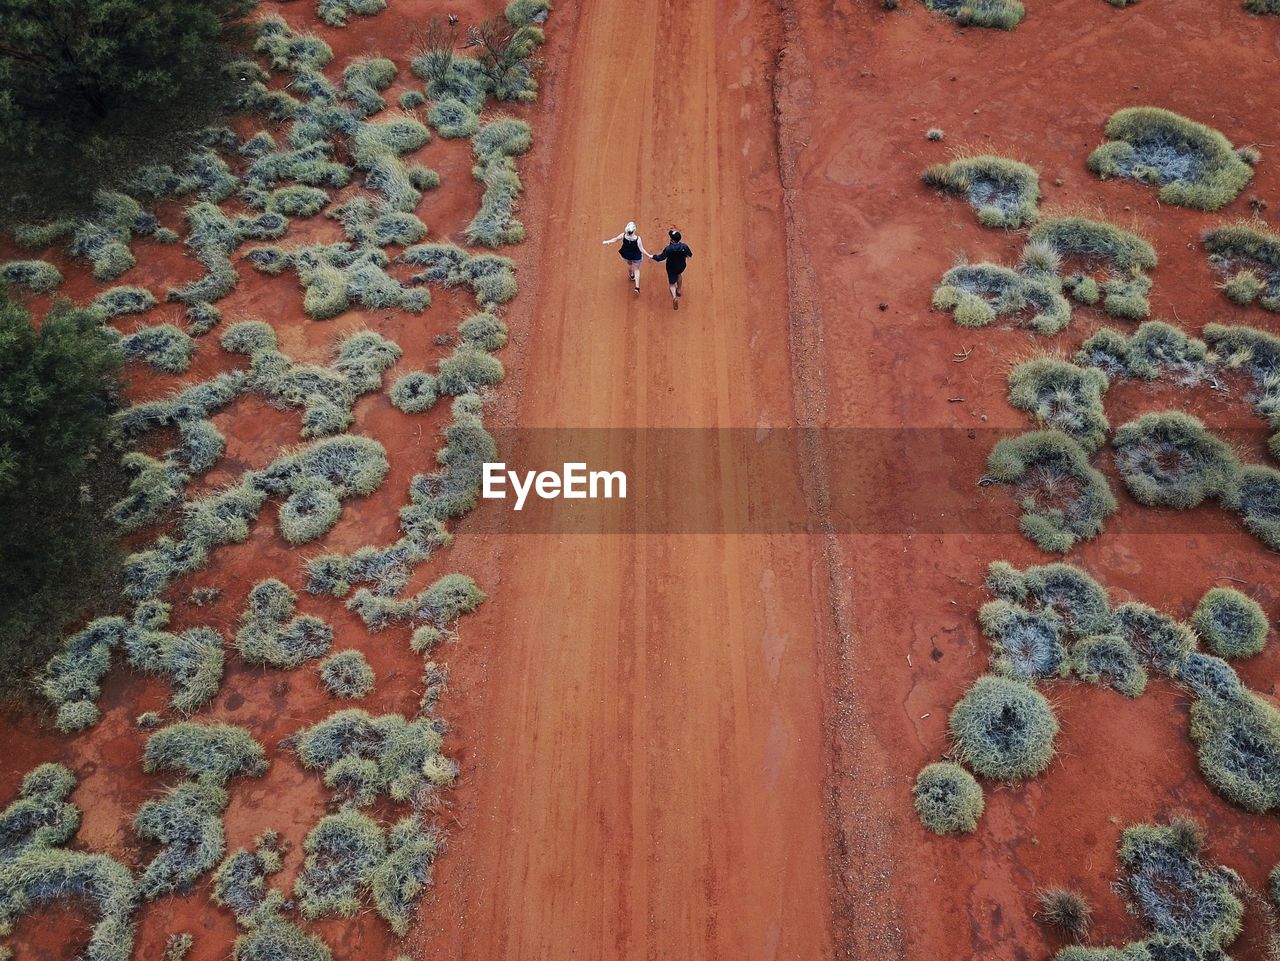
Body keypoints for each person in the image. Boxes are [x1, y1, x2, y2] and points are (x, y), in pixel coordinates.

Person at [602, 221, 652, 294]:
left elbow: (615, 239)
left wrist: (607, 242)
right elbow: (641, 249)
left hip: (627, 254)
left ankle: (631, 276)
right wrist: (649, 255)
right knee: (637, 269)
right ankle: (637, 287)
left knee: (629, 264)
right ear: (634, 230)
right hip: (636, 256)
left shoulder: (623, 235)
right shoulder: (638, 239)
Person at [651, 229, 692, 310]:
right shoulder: (684, 246)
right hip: (681, 265)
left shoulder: (668, 249)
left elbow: (660, 258)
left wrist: (653, 256)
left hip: (671, 267)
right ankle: (679, 290)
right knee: (679, 274)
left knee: (672, 284)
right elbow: (690, 255)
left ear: (672, 240)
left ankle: (674, 297)